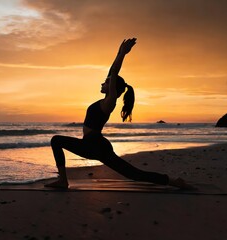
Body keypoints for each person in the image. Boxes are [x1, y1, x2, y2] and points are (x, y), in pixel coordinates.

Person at [45, 38, 192, 189]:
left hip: (94, 145)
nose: (102, 83)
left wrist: (123, 54)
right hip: (93, 144)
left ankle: (63, 181)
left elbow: (114, 72)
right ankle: (173, 181)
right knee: (133, 174)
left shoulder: (109, 103)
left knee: (56, 140)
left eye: (106, 82)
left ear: (113, 87)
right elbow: (112, 71)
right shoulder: (105, 100)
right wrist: (119, 52)